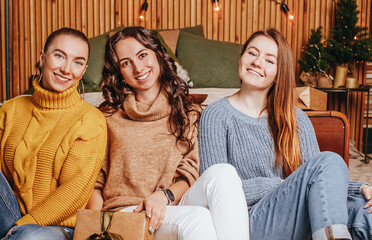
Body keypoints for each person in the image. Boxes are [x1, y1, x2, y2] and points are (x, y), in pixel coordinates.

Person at [199, 28, 372, 240]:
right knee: (328, 161)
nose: (257, 62)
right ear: (241, 58)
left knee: (366, 207)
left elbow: (322, 181)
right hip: (249, 222)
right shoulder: (215, 115)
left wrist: (365, 189)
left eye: (270, 60)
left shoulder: (295, 118)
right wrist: (283, 185)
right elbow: (214, 193)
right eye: (252, 53)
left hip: (295, 216)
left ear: (280, 74)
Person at [0, 28, 107, 240]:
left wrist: (23, 226)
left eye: (77, 62)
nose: (67, 69)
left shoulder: (91, 120)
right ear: (42, 58)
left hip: (56, 229)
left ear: (84, 69)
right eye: (59, 56)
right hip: (5, 218)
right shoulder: (11, 109)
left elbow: (73, 193)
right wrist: (13, 227)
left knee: (30, 236)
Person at [85, 26, 249, 240]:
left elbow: (190, 171)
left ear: (158, 55)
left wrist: (164, 196)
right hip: (127, 212)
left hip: (173, 202)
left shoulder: (188, 111)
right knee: (198, 218)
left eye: (142, 55)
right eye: (126, 63)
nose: (138, 67)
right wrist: (96, 229)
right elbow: (95, 182)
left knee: (223, 173)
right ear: (120, 73)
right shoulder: (107, 117)